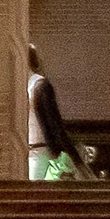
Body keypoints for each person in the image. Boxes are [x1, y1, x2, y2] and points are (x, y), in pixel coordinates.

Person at [25, 46, 79, 179]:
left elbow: (53, 121)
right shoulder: (18, 84)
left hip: (39, 152)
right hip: (25, 152)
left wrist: (67, 153)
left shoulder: (39, 85)